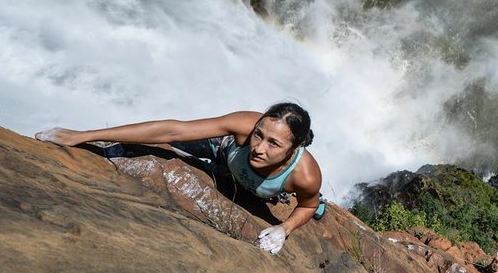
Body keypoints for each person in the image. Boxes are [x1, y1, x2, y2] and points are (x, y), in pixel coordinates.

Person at [36, 102, 323, 254]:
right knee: (160, 145)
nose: (258, 147)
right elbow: (173, 131)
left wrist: (284, 228)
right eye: (258, 134)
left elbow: (307, 206)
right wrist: (86, 135)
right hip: (221, 154)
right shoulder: (244, 125)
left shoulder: (306, 175)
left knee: (316, 206)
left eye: (274, 144)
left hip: (257, 187)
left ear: (294, 148)